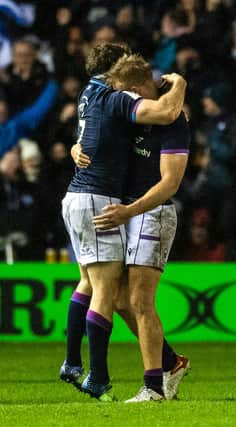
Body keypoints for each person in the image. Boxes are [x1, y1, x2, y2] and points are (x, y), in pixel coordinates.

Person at [60, 42, 186, 401]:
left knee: (129, 298)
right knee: (114, 296)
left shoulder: (102, 97)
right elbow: (158, 110)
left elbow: (170, 178)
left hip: (144, 210)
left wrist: (179, 87)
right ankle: (160, 367)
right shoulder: (119, 100)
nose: (127, 90)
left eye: (133, 86)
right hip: (108, 201)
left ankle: (152, 383)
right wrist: (180, 85)